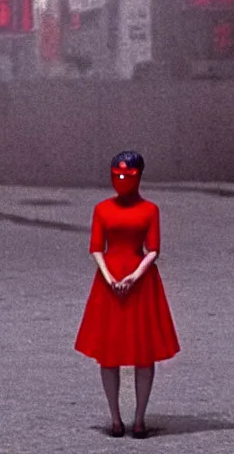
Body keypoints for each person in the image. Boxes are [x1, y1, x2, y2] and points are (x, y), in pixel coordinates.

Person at [74, 151, 180, 439]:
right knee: (110, 353)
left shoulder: (150, 210)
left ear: (139, 177)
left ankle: (138, 419)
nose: (121, 181)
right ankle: (117, 419)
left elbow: (153, 249)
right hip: (114, 281)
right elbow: (96, 247)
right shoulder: (102, 209)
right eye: (117, 175)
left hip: (138, 283)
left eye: (127, 176)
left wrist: (134, 275)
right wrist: (110, 277)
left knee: (142, 353)